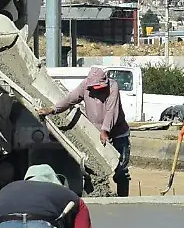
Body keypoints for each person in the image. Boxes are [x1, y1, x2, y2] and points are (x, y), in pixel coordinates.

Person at [40, 67, 131, 196]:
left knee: (121, 169)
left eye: (100, 87)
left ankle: (123, 199)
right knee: (91, 168)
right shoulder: (85, 86)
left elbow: (112, 111)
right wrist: (53, 109)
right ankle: (94, 194)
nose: (97, 90)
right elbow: (70, 98)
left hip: (118, 133)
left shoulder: (113, 86)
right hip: (96, 133)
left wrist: (105, 130)